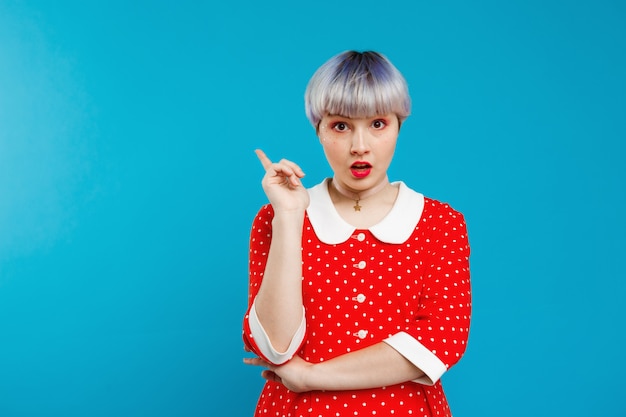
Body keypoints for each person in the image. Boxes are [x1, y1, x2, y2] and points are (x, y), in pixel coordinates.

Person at [242, 50, 471, 417]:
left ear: (399, 125)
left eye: (378, 123)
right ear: (318, 129)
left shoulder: (441, 223)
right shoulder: (277, 217)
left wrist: (311, 375)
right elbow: (275, 346)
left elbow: (440, 341)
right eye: (341, 125)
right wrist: (289, 217)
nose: (359, 145)